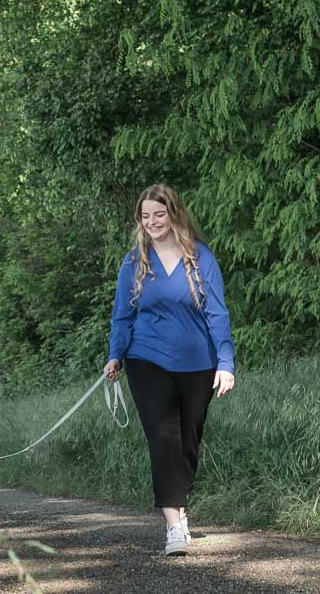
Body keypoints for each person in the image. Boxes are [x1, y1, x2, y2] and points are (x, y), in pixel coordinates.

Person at [103, 183, 235, 557]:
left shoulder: (201, 257)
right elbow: (122, 316)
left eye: (158, 214)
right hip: (146, 358)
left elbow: (217, 314)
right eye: (145, 217)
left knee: (188, 441)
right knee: (162, 438)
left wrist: (225, 362)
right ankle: (174, 526)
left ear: (173, 214)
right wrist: (116, 354)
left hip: (199, 360)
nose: (152, 222)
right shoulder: (134, 262)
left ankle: (180, 504)